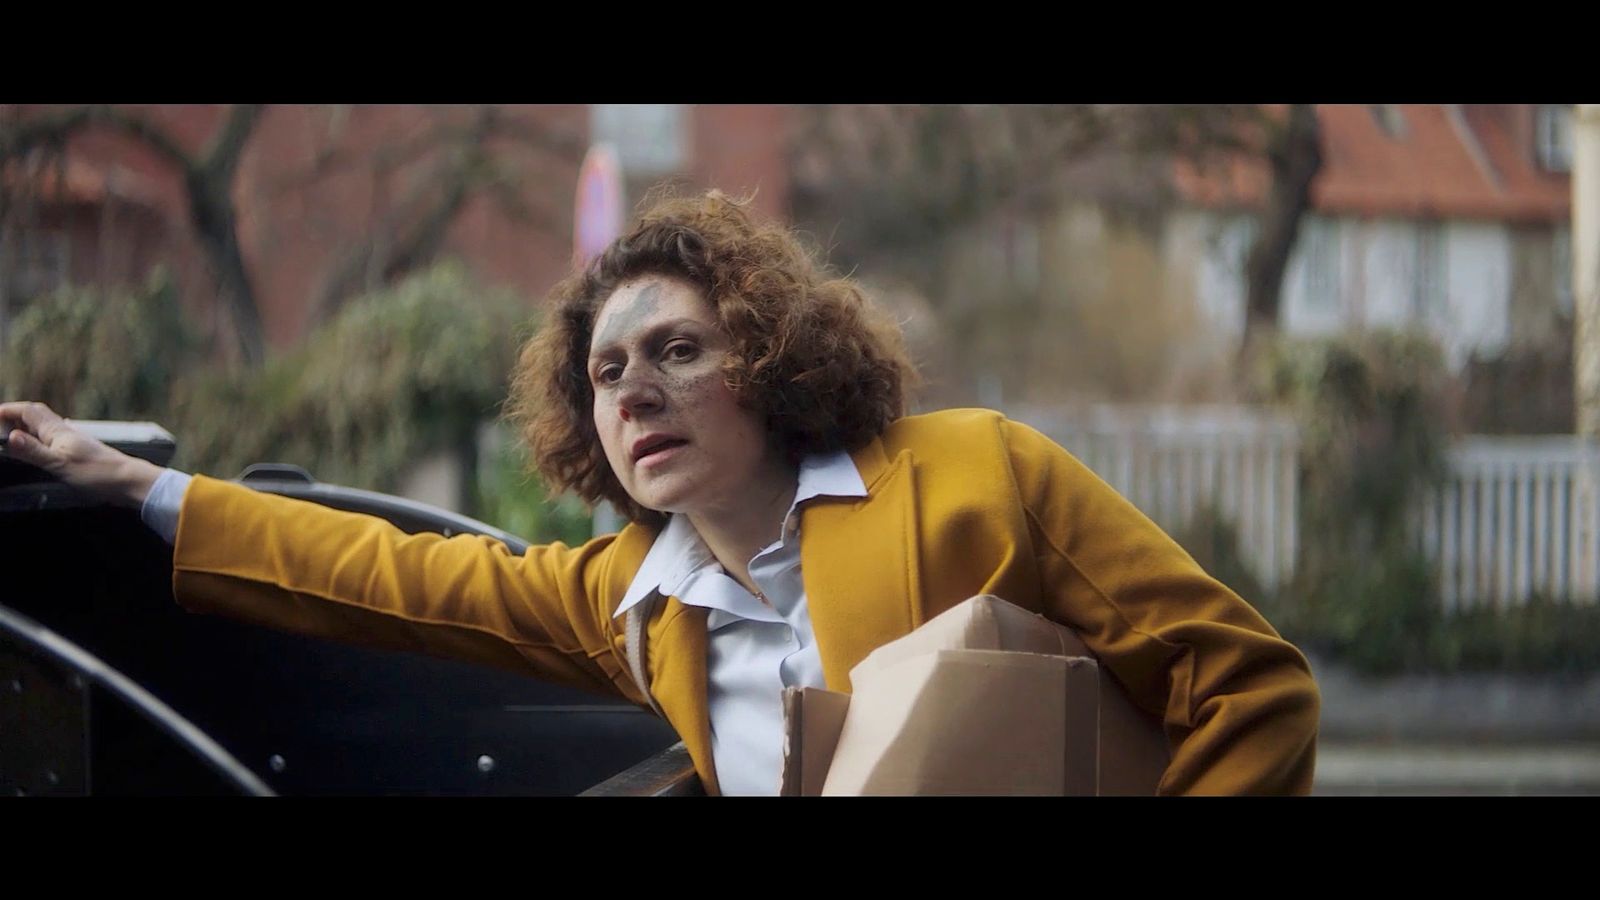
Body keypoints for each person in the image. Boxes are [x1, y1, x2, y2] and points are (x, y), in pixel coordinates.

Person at [0, 190, 1320, 796]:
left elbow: (1251, 689)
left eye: (677, 352)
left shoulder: (979, 474)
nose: (633, 394)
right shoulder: (636, 605)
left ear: (771, 353)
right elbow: (386, 574)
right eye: (606, 375)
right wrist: (134, 485)